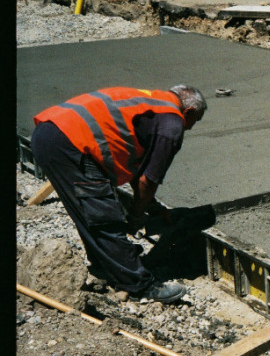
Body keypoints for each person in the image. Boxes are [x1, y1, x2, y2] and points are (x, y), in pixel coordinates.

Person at [30, 85, 207, 302]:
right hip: (69, 143)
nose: (189, 128)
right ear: (188, 112)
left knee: (90, 212)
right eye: (194, 122)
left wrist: (151, 207)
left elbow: (137, 174)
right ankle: (139, 286)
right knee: (104, 215)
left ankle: (108, 266)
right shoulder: (172, 123)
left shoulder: (151, 102)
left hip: (51, 132)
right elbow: (147, 181)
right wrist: (136, 216)